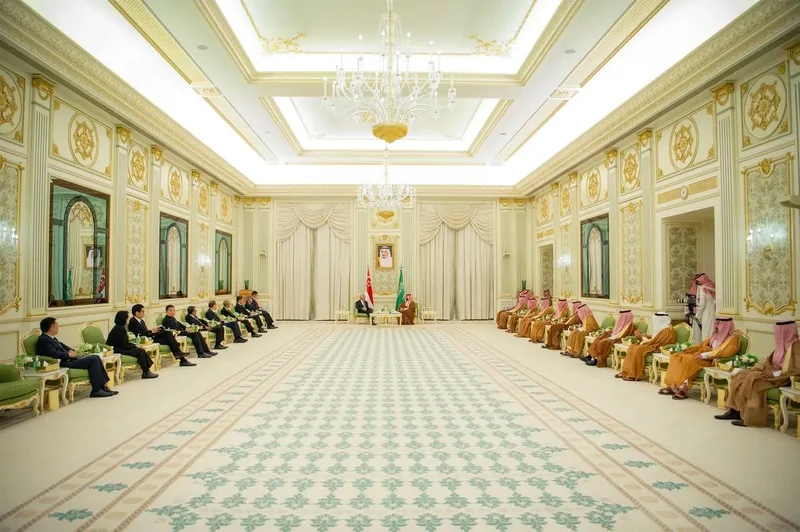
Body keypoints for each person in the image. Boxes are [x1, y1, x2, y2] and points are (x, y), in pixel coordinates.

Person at [716, 321, 800, 427]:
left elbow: (794, 370)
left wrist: (774, 374)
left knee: (754, 379)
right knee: (741, 375)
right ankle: (735, 411)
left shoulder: (796, 347)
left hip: (781, 378)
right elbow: (769, 362)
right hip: (770, 374)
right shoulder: (780, 346)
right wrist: (757, 368)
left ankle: (751, 417)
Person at [659, 317, 739, 400]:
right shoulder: (715, 335)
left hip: (711, 361)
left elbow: (723, 352)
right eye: (716, 323)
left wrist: (704, 355)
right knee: (676, 357)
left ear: (726, 326)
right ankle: (673, 385)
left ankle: (684, 387)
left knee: (689, 360)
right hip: (701, 357)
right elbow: (701, 345)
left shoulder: (732, 339)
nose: (716, 326)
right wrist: (687, 350)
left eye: (719, 324)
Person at [36, 317, 115, 398]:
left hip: (68, 360)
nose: (58, 327)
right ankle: (96, 390)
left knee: (96, 357)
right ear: (51, 328)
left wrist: (77, 353)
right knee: (93, 359)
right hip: (62, 363)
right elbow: (54, 353)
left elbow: (65, 347)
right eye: (56, 325)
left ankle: (103, 387)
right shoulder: (44, 340)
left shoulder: (52, 338)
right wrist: (69, 354)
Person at [129, 304, 196, 367]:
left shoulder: (141, 321)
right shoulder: (133, 322)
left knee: (168, 337)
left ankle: (182, 359)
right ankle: (181, 356)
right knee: (168, 335)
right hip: (146, 340)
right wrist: (151, 331)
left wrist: (153, 331)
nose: (144, 313)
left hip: (150, 336)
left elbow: (144, 332)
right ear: (137, 313)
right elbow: (137, 334)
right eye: (143, 311)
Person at [616, 312, 675, 381]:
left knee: (639, 349)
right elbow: (654, 337)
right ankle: (626, 372)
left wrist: (642, 338)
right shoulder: (662, 328)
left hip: (657, 347)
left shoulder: (667, 331)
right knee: (632, 347)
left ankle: (633, 374)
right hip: (651, 344)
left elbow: (659, 342)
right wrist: (642, 335)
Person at [106, 310, 158, 379]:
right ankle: (146, 372)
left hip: (120, 347)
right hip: (117, 349)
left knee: (140, 350)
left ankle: (146, 371)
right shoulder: (120, 329)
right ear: (124, 318)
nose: (129, 319)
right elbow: (124, 344)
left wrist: (134, 345)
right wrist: (135, 346)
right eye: (128, 317)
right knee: (140, 351)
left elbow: (124, 343)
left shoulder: (119, 327)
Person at [691, 273, 716, 341]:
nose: (699, 284)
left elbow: (702, 304)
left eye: (699, 282)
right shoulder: (712, 287)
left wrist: (697, 315)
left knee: (706, 331)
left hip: (706, 313)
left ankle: (705, 345)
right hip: (714, 312)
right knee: (712, 331)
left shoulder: (703, 288)